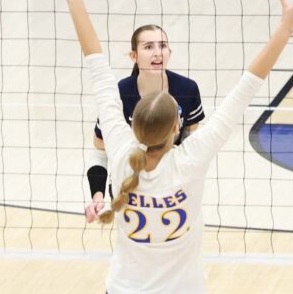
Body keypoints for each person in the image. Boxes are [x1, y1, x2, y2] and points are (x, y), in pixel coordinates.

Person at [47, 0, 293, 294]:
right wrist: (286, 28)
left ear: (133, 125)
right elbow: (246, 88)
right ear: (177, 128)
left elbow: (96, 64)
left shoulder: (120, 153)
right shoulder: (191, 160)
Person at [85, 24, 205, 223]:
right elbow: (100, 152)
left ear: (170, 52)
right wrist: (98, 196)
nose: (158, 53)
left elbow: (189, 147)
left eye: (163, 46)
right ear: (134, 56)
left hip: (172, 189)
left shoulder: (187, 89)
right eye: (149, 47)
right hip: (127, 186)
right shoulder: (120, 94)